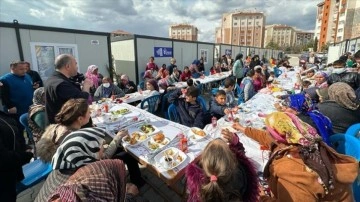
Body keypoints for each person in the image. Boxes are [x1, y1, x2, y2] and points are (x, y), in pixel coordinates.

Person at [232, 112, 358, 201]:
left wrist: (263, 198)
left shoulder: (291, 169)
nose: (267, 133)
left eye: (269, 131)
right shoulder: (309, 142)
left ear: (278, 137)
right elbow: (265, 137)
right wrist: (242, 129)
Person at [35, 126, 132, 201]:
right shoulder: (87, 181)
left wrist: (117, 138)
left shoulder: (62, 167)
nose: (103, 147)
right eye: (100, 146)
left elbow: (101, 157)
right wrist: (129, 196)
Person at [185, 134, 259, 202]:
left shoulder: (199, 185)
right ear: (232, 159)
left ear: (204, 162)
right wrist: (236, 144)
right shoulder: (241, 175)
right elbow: (241, 157)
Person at [37, 98, 92, 163]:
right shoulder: (74, 138)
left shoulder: (57, 127)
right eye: (89, 112)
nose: (91, 113)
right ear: (80, 119)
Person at [45, 54, 92, 124]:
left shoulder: (53, 79)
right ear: (68, 66)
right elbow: (81, 102)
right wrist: (86, 87)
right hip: (64, 127)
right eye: (75, 64)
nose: (77, 67)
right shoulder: (61, 84)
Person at [0, 111, 33, 202]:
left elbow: (13, 137)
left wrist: (23, 147)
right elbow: (3, 158)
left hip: (10, 179)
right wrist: (25, 156)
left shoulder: (4, 117)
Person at [0, 61, 34, 132]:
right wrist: (10, 106)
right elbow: (4, 95)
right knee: (18, 130)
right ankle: (21, 143)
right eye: (21, 69)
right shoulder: (5, 79)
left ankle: (31, 140)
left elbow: (29, 88)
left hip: (29, 108)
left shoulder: (27, 76)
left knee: (31, 128)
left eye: (25, 68)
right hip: (16, 110)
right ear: (13, 68)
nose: (24, 71)